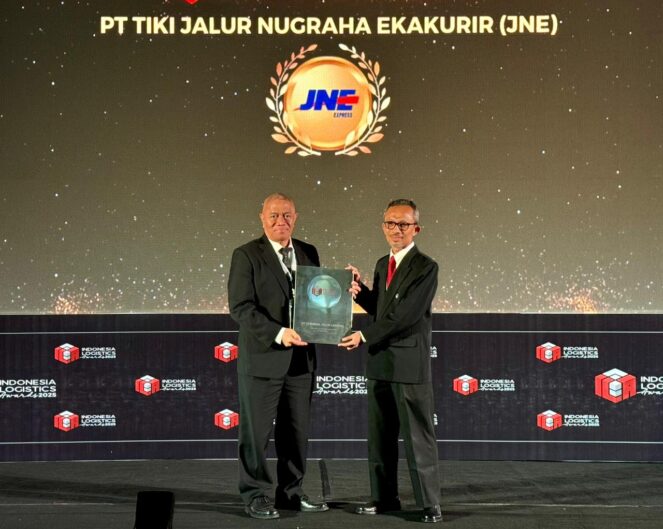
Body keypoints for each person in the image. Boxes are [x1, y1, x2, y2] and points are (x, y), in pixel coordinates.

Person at [339, 198, 443, 523]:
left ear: (416, 229)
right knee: (380, 437)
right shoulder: (383, 264)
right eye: (390, 223)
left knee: (417, 439)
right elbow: (382, 310)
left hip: (409, 366)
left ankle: (430, 505)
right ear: (383, 226)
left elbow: (405, 316)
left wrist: (364, 335)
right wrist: (360, 291)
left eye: (403, 224)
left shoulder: (426, 267)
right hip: (381, 362)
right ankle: (384, 498)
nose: (396, 229)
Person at [228, 192, 329, 519]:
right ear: (262, 218)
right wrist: (278, 332)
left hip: (301, 361)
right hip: (263, 359)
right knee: (256, 435)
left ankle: (291, 493)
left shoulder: (309, 251)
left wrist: (337, 305)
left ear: (295, 217)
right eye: (273, 215)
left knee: (296, 433)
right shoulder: (246, 255)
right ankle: (255, 494)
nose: (280, 221)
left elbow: (318, 298)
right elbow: (241, 307)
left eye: (286, 215)